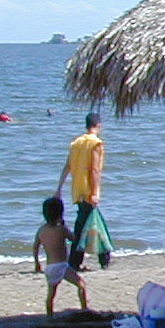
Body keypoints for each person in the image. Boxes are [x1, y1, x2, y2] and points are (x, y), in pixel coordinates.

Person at [56, 112, 111, 269]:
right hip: (88, 190)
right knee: (92, 225)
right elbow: (94, 170)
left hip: (77, 190)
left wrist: (59, 187)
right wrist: (95, 192)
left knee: (85, 224)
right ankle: (100, 259)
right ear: (98, 125)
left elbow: (67, 166)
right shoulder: (96, 143)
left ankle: (78, 260)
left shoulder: (76, 143)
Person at [32, 196, 88, 315]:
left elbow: (35, 247)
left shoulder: (41, 230)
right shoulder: (61, 229)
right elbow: (73, 239)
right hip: (62, 266)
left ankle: (49, 315)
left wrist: (37, 263)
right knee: (81, 285)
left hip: (50, 267)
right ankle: (84, 310)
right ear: (60, 214)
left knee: (51, 295)